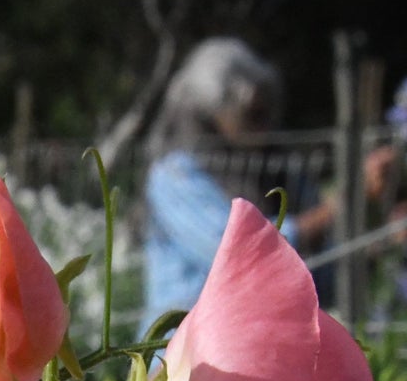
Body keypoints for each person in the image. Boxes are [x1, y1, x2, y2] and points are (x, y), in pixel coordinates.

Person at [139, 38, 341, 333]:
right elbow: (236, 252)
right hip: (186, 348)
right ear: (211, 112)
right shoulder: (175, 176)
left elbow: (321, 266)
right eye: (252, 114)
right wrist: (337, 208)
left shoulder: (275, 167)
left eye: (266, 112)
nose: (265, 127)